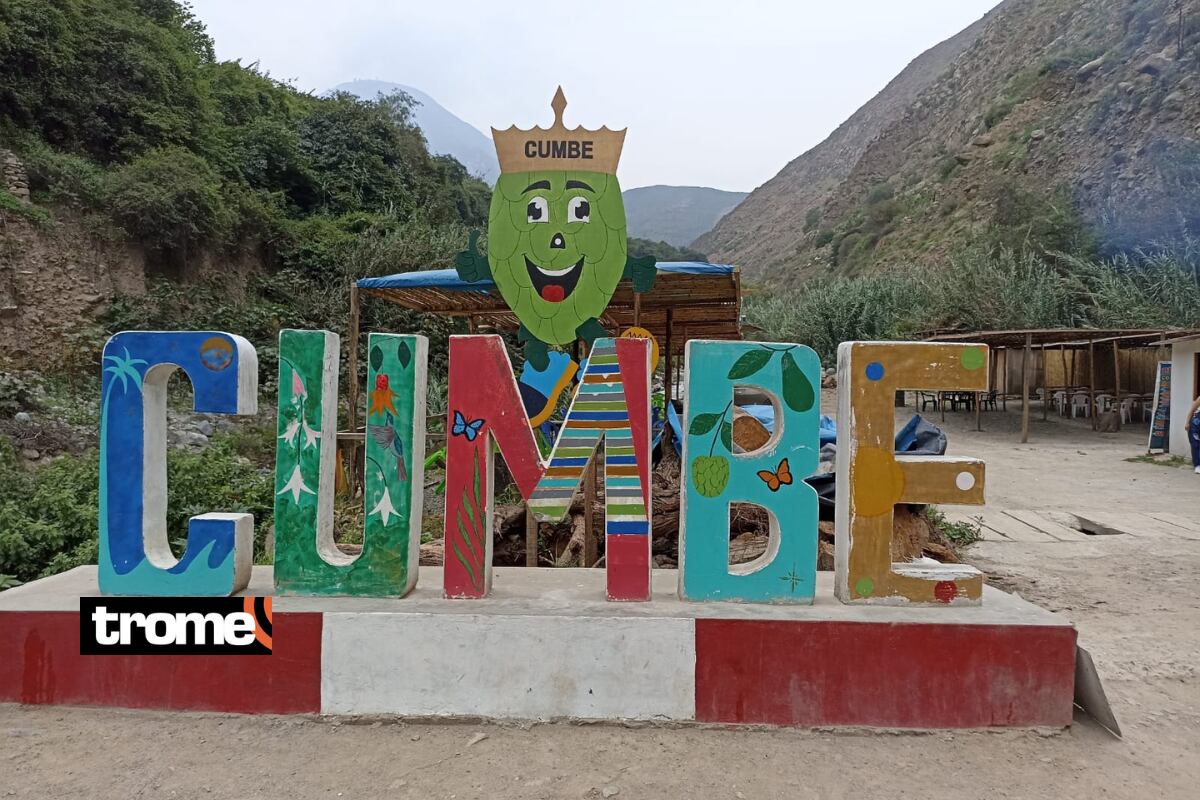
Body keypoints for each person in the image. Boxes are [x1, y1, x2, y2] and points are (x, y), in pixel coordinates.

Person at [1190, 394, 1200, 474]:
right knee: (1195, 444)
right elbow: (1192, 410)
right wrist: (1187, 423)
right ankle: (1197, 465)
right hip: (1196, 423)